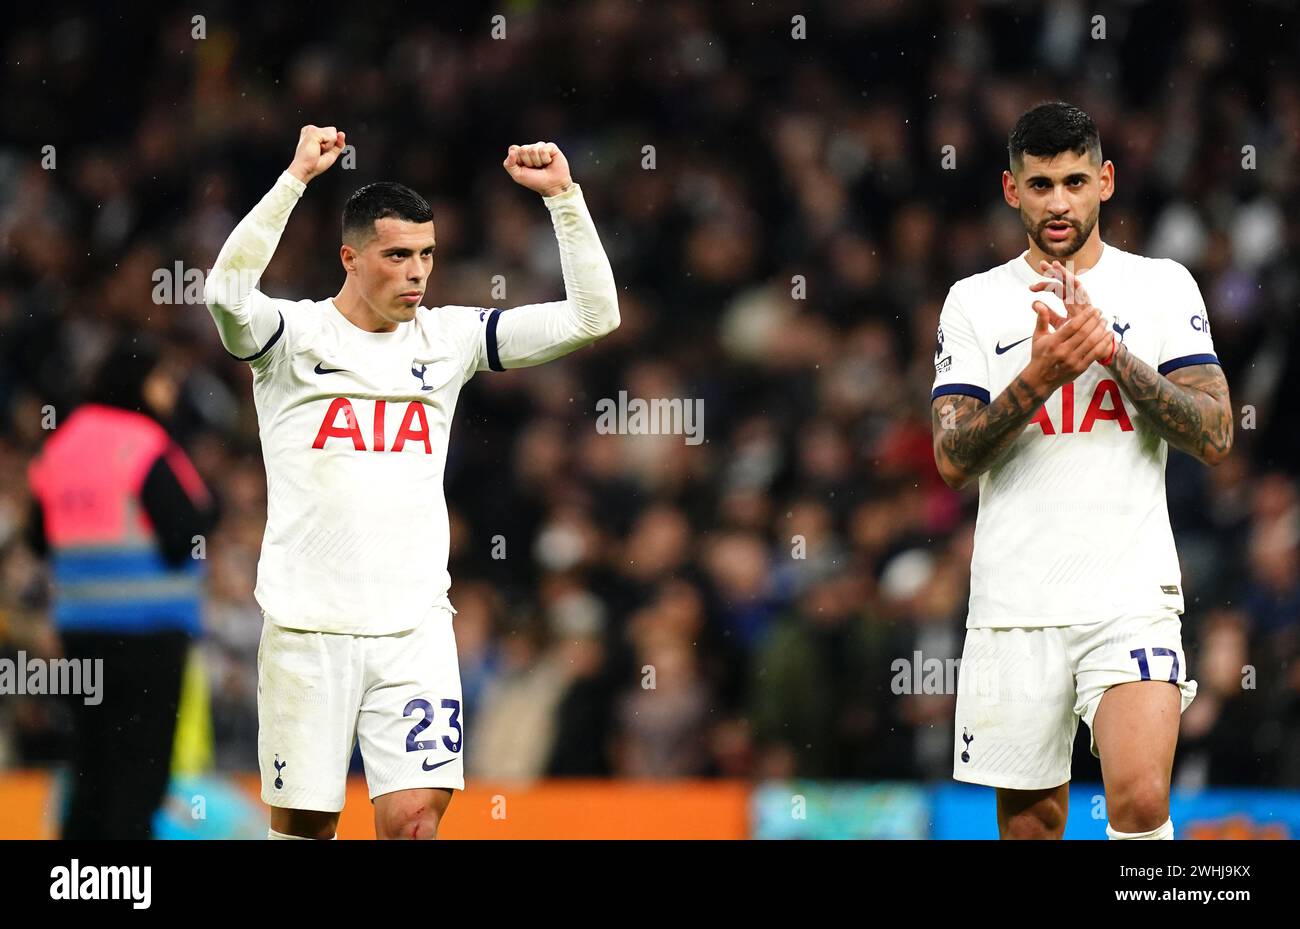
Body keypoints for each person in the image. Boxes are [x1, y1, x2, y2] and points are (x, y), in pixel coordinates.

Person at [204, 127, 618, 839]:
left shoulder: (449, 339)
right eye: (397, 255)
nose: (416, 272)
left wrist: (565, 201)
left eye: (426, 254)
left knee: (414, 820)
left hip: (415, 628)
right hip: (308, 626)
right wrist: (295, 179)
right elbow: (224, 293)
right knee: (304, 828)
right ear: (351, 257)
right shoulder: (293, 339)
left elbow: (593, 317)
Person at [929, 102, 1233, 839]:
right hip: (1014, 601)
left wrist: (1113, 356)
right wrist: (1039, 376)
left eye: (1073, 181)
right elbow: (951, 457)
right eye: (1039, 185)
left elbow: (1216, 431)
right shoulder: (974, 301)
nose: (1058, 202)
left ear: (1106, 181)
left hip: (1128, 591)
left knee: (1137, 799)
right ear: (1011, 190)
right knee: (1032, 829)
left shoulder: (1161, 286)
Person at [27, 333, 217, 838]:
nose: (170, 392)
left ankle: (77, 885)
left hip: (81, 636)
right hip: (148, 638)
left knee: (91, 768)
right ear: (140, 382)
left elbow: (38, 538)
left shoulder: (62, 441)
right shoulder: (143, 442)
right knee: (139, 773)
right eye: (164, 380)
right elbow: (184, 534)